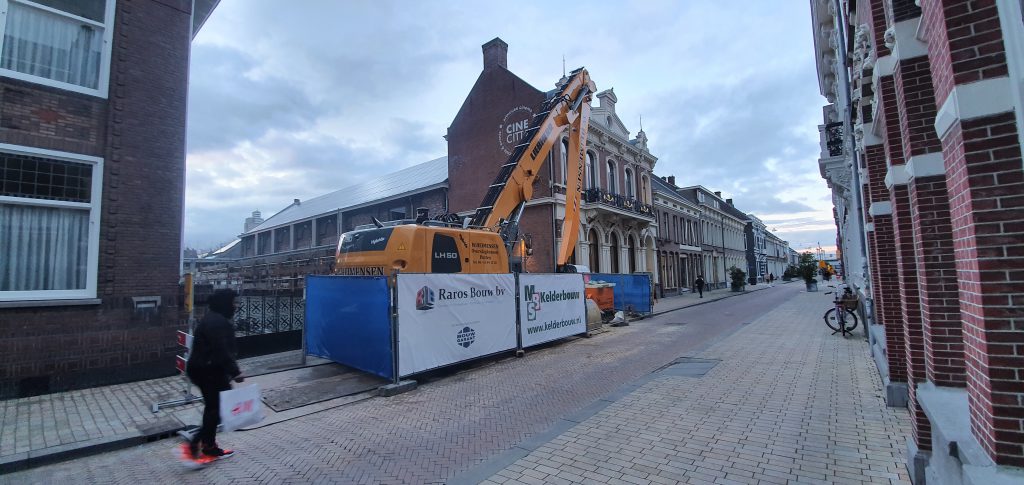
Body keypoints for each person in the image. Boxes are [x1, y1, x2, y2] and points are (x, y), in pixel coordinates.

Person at [181, 289, 244, 466]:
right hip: (209, 371)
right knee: (219, 408)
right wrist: (235, 372)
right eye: (233, 302)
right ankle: (198, 443)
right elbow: (222, 350)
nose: (235, 306)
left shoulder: (212, 318)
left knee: (214, 408)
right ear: (225, 303)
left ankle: (208, 445)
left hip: (202, 369)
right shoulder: (218, 323)